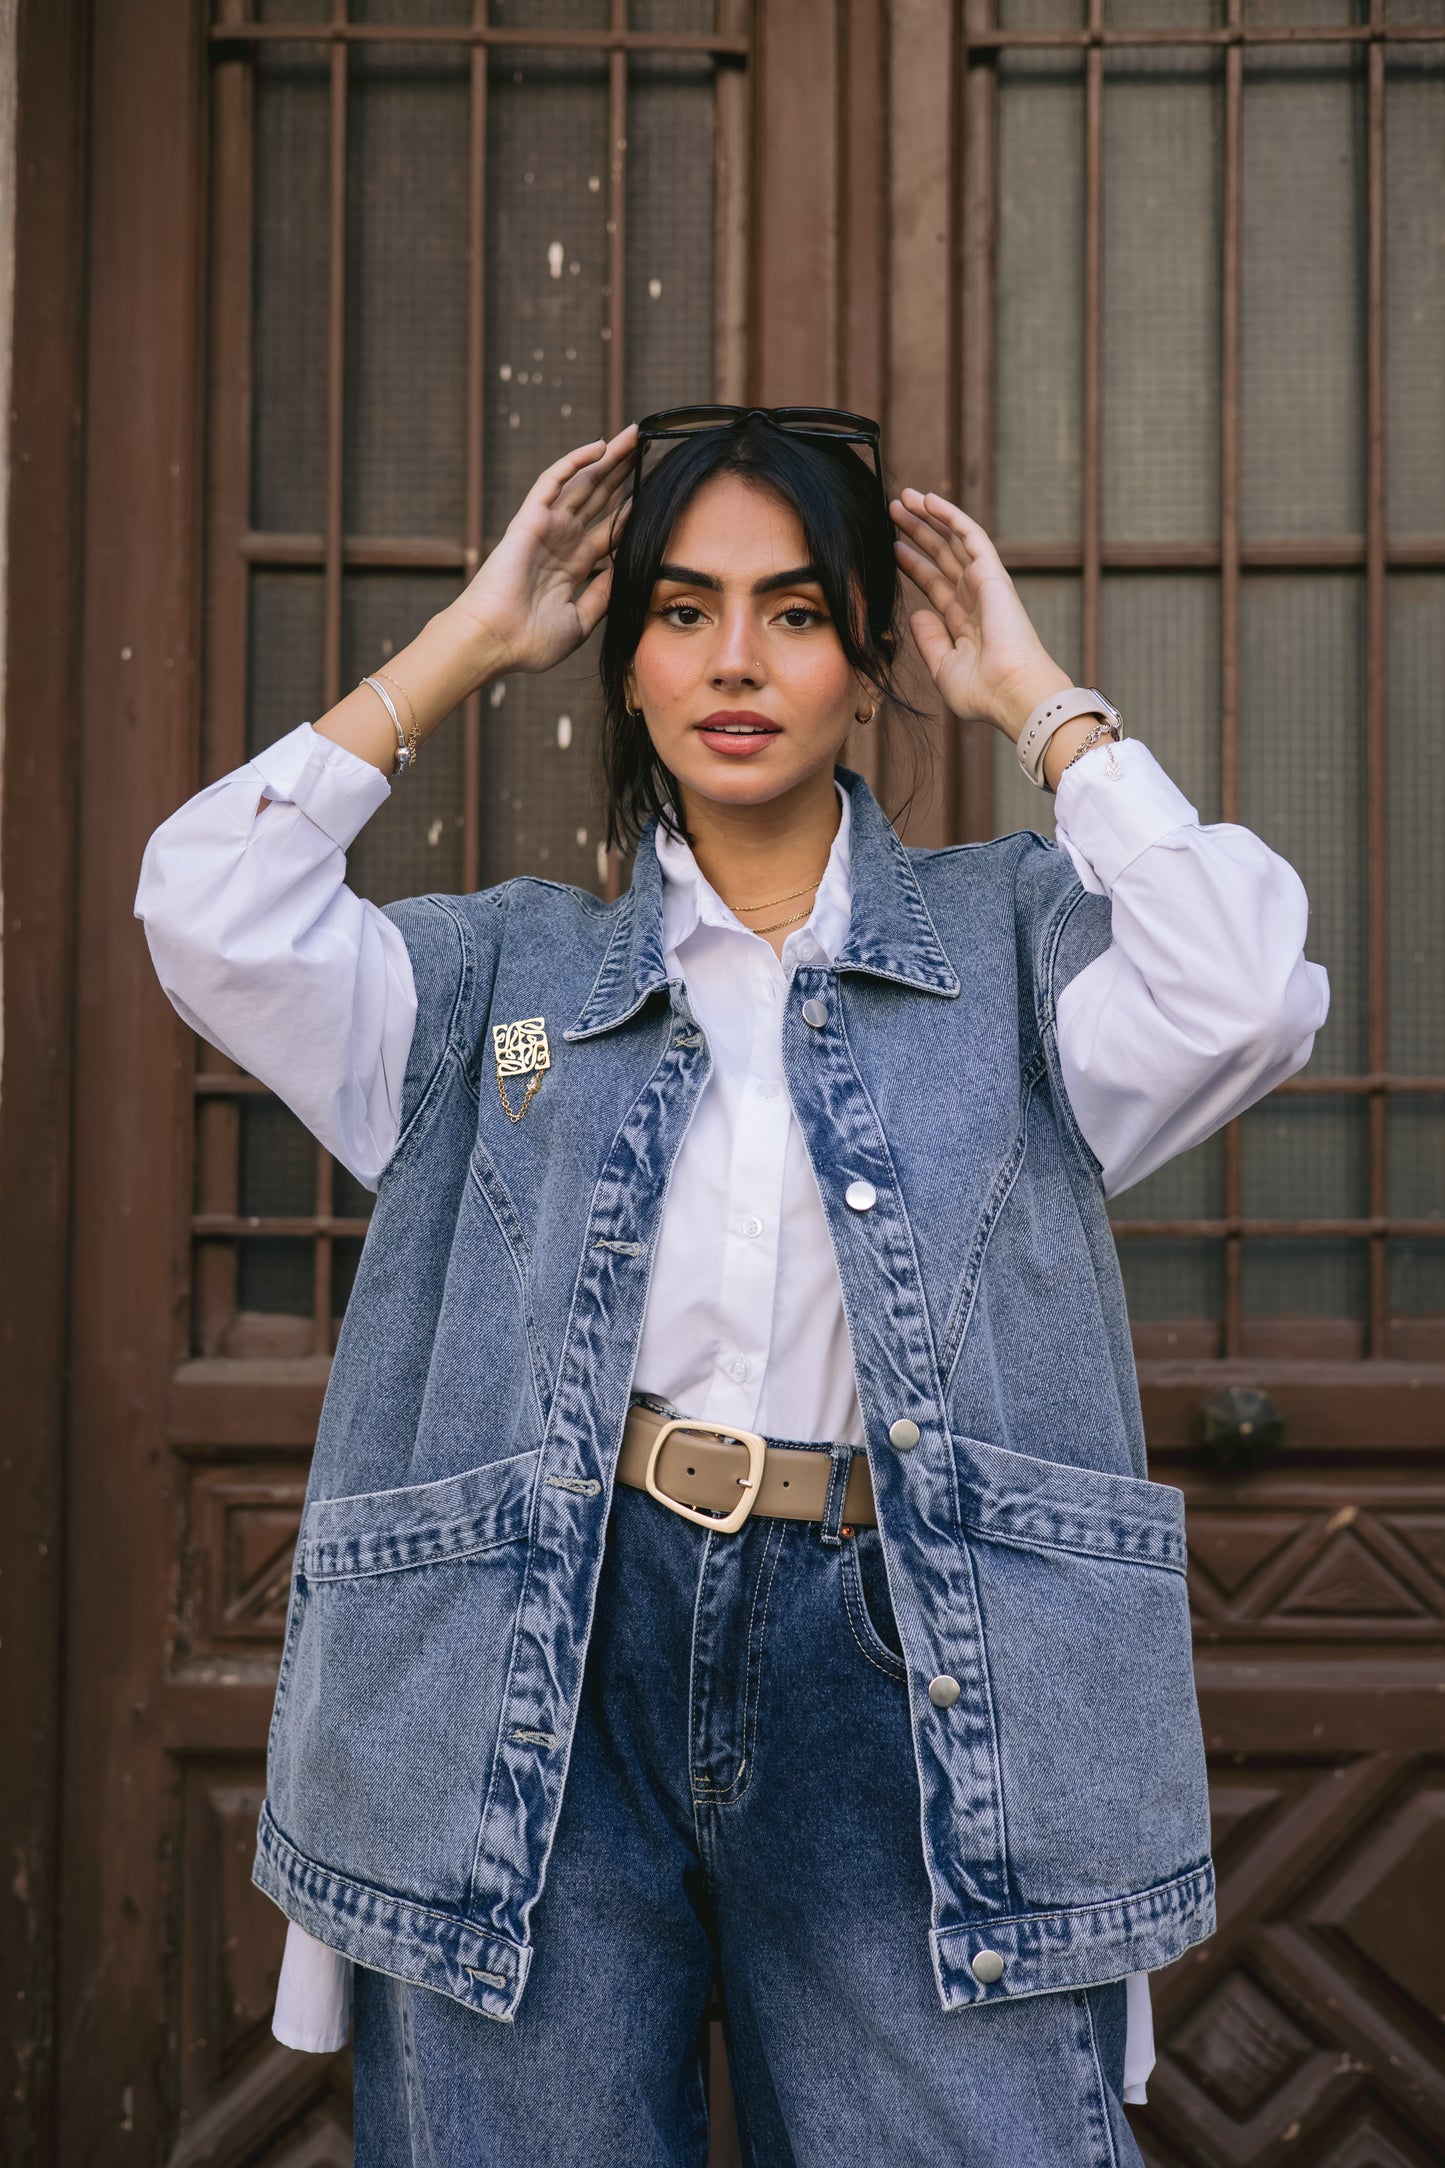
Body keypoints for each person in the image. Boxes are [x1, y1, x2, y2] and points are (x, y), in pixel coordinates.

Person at [135, 409, 1329, 2167]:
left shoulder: (1015, 953)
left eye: (793, 609)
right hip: (546, 1661)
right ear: (620, 666)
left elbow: (1242, 987)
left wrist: (1036, 699)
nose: (737, 662)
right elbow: (208, 906)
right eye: (681, 612)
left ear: (868, 657)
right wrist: (469, 637)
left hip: (913, 1668)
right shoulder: (498, 983)